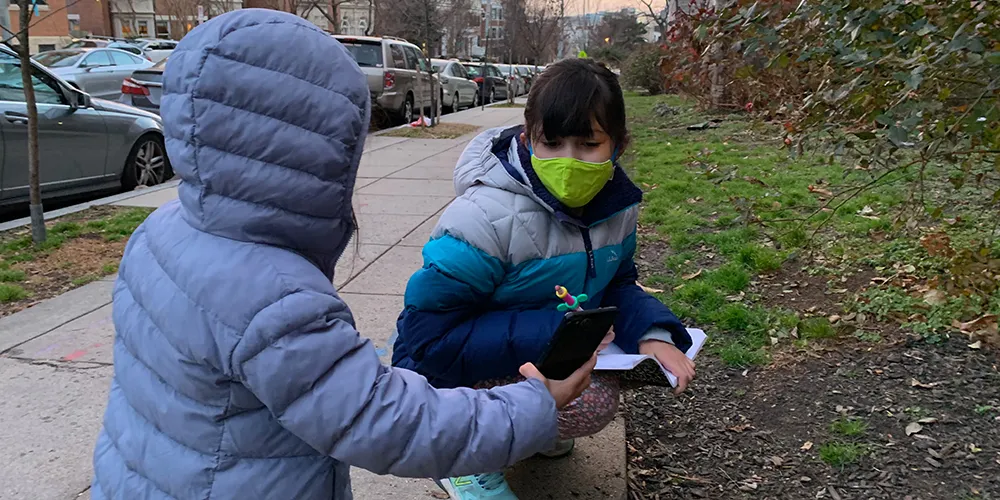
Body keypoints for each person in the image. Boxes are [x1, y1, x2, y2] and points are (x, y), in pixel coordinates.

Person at [88, 10, 596, 500]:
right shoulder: (274, 297)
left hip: (142, 474)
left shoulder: (161, 229)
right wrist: (534, 407)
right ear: (319, 149)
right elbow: (383, 422)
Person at [391, 58, 697, 500]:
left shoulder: (617, 207)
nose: (568, 161)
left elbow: (618, 282)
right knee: (585, 397)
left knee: (594, 398)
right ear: (526, 137)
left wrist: (652, 335)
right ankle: (463, 460)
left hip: (524, 353)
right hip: (445, 376)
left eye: (588, 143)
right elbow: (426, 339)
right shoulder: (484, 217)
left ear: (619, 144)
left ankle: (526, 430)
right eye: (551, 143)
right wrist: (557, 334)